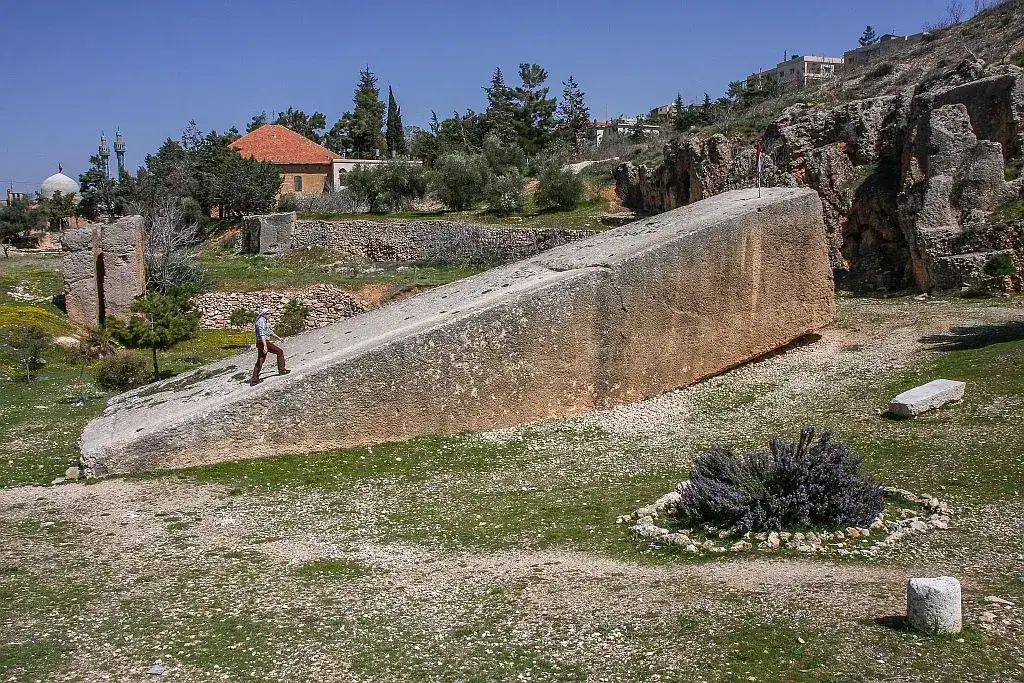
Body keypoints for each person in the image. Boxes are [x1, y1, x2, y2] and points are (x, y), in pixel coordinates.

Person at [251, 307, 290, 385]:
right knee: (279, 352)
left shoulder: (263, 321)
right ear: (263, 314)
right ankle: (282, 369)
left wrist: (278, 338)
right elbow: (262, 334)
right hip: (263, 342)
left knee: (261, 359)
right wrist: (265, 346)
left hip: (260, 342)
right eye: (268, 314)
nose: (270, 315)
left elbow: (269, 331)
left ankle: (254, 379)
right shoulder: (261, 321)